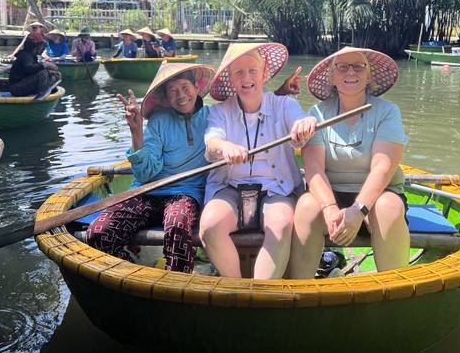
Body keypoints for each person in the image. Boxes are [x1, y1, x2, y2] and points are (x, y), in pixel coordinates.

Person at [198, 43, 317, 279]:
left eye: (253, 70)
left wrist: (304, 125)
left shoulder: (285, 104)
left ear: (264, 74)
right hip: (229, 187)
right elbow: (212, 142)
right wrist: (225, 148)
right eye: (238, 72)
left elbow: (300, 121)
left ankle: (260, 293)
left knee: (282, 226)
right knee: (210, 227)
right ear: (231, 80)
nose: (246, 78)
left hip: (277, 189)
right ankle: (238, 290)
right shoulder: (219, 112)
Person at [289, 47, 409, 278]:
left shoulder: (387, 112)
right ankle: (300, 291)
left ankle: (395, 287)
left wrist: (358, 210)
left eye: (358, 66)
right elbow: (314, 169)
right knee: (305, 206)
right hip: (331, 195)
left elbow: (382, 167)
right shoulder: (317, 114)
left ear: (368, 75)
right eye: (341, 67)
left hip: (378, 197)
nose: (350, 72)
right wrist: (330, 207)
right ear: (332, 77)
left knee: (388, 208)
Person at [87, 63, 216, 272]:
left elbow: (249, 113)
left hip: (186, 194)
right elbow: (147, 173)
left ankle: (178, 283)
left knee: (177, 224)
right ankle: (133, 276)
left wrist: (283, 92)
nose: (181, 95)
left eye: (184, 87)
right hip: (148, 192)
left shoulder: (214, 116)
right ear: (165, 97)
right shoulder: (158, 121)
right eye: (172, 91)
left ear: (196, 86)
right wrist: (136, 133)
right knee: (99, 232)